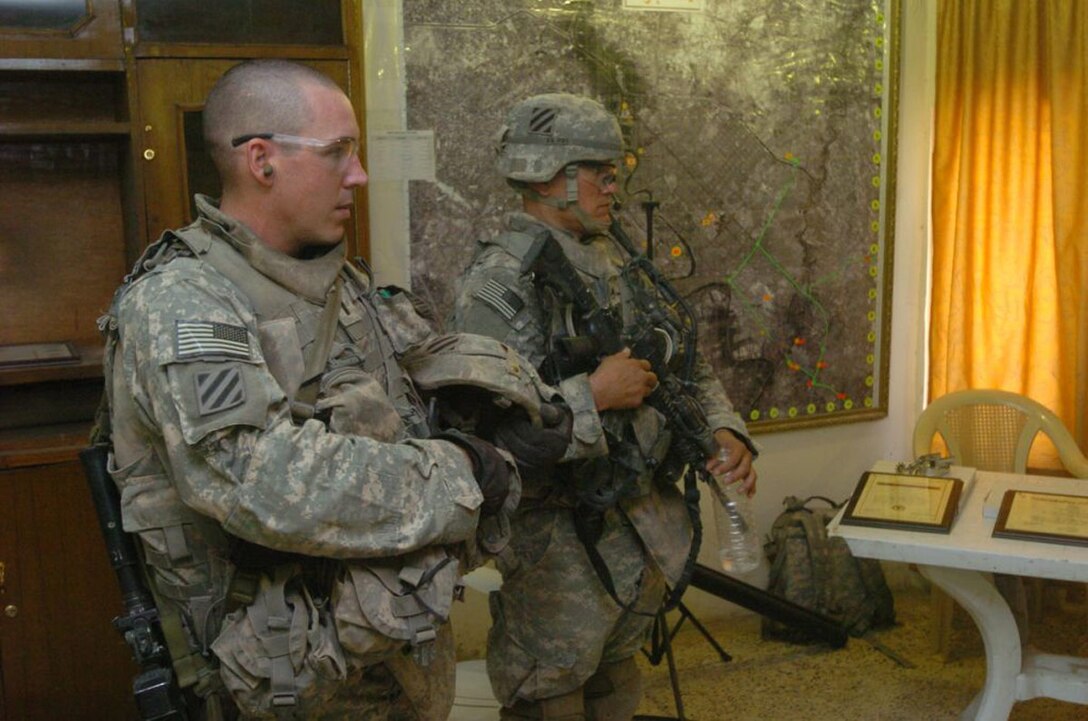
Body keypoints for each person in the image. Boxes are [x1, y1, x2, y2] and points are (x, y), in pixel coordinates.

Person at [99, 60, 568, 721]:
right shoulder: (183, 303)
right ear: (262, 161)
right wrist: (462, 472)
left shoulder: (340, 283)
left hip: (390, 654)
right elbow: (255, 477)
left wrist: (518, 407)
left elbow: (422, 369)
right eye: (338, 152)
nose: (359, 174)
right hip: (293, 686)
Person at [448, 93, 759, 721]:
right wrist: (592, 395)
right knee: (552, 690)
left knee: (616, 680)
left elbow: (686, 360)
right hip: (555, 538)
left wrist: (726, 429)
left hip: (635, 527)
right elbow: (483, 427)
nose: (615, 185)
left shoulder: (616, 261)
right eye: (600, 171)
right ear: (551, 176)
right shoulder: (502, 281)